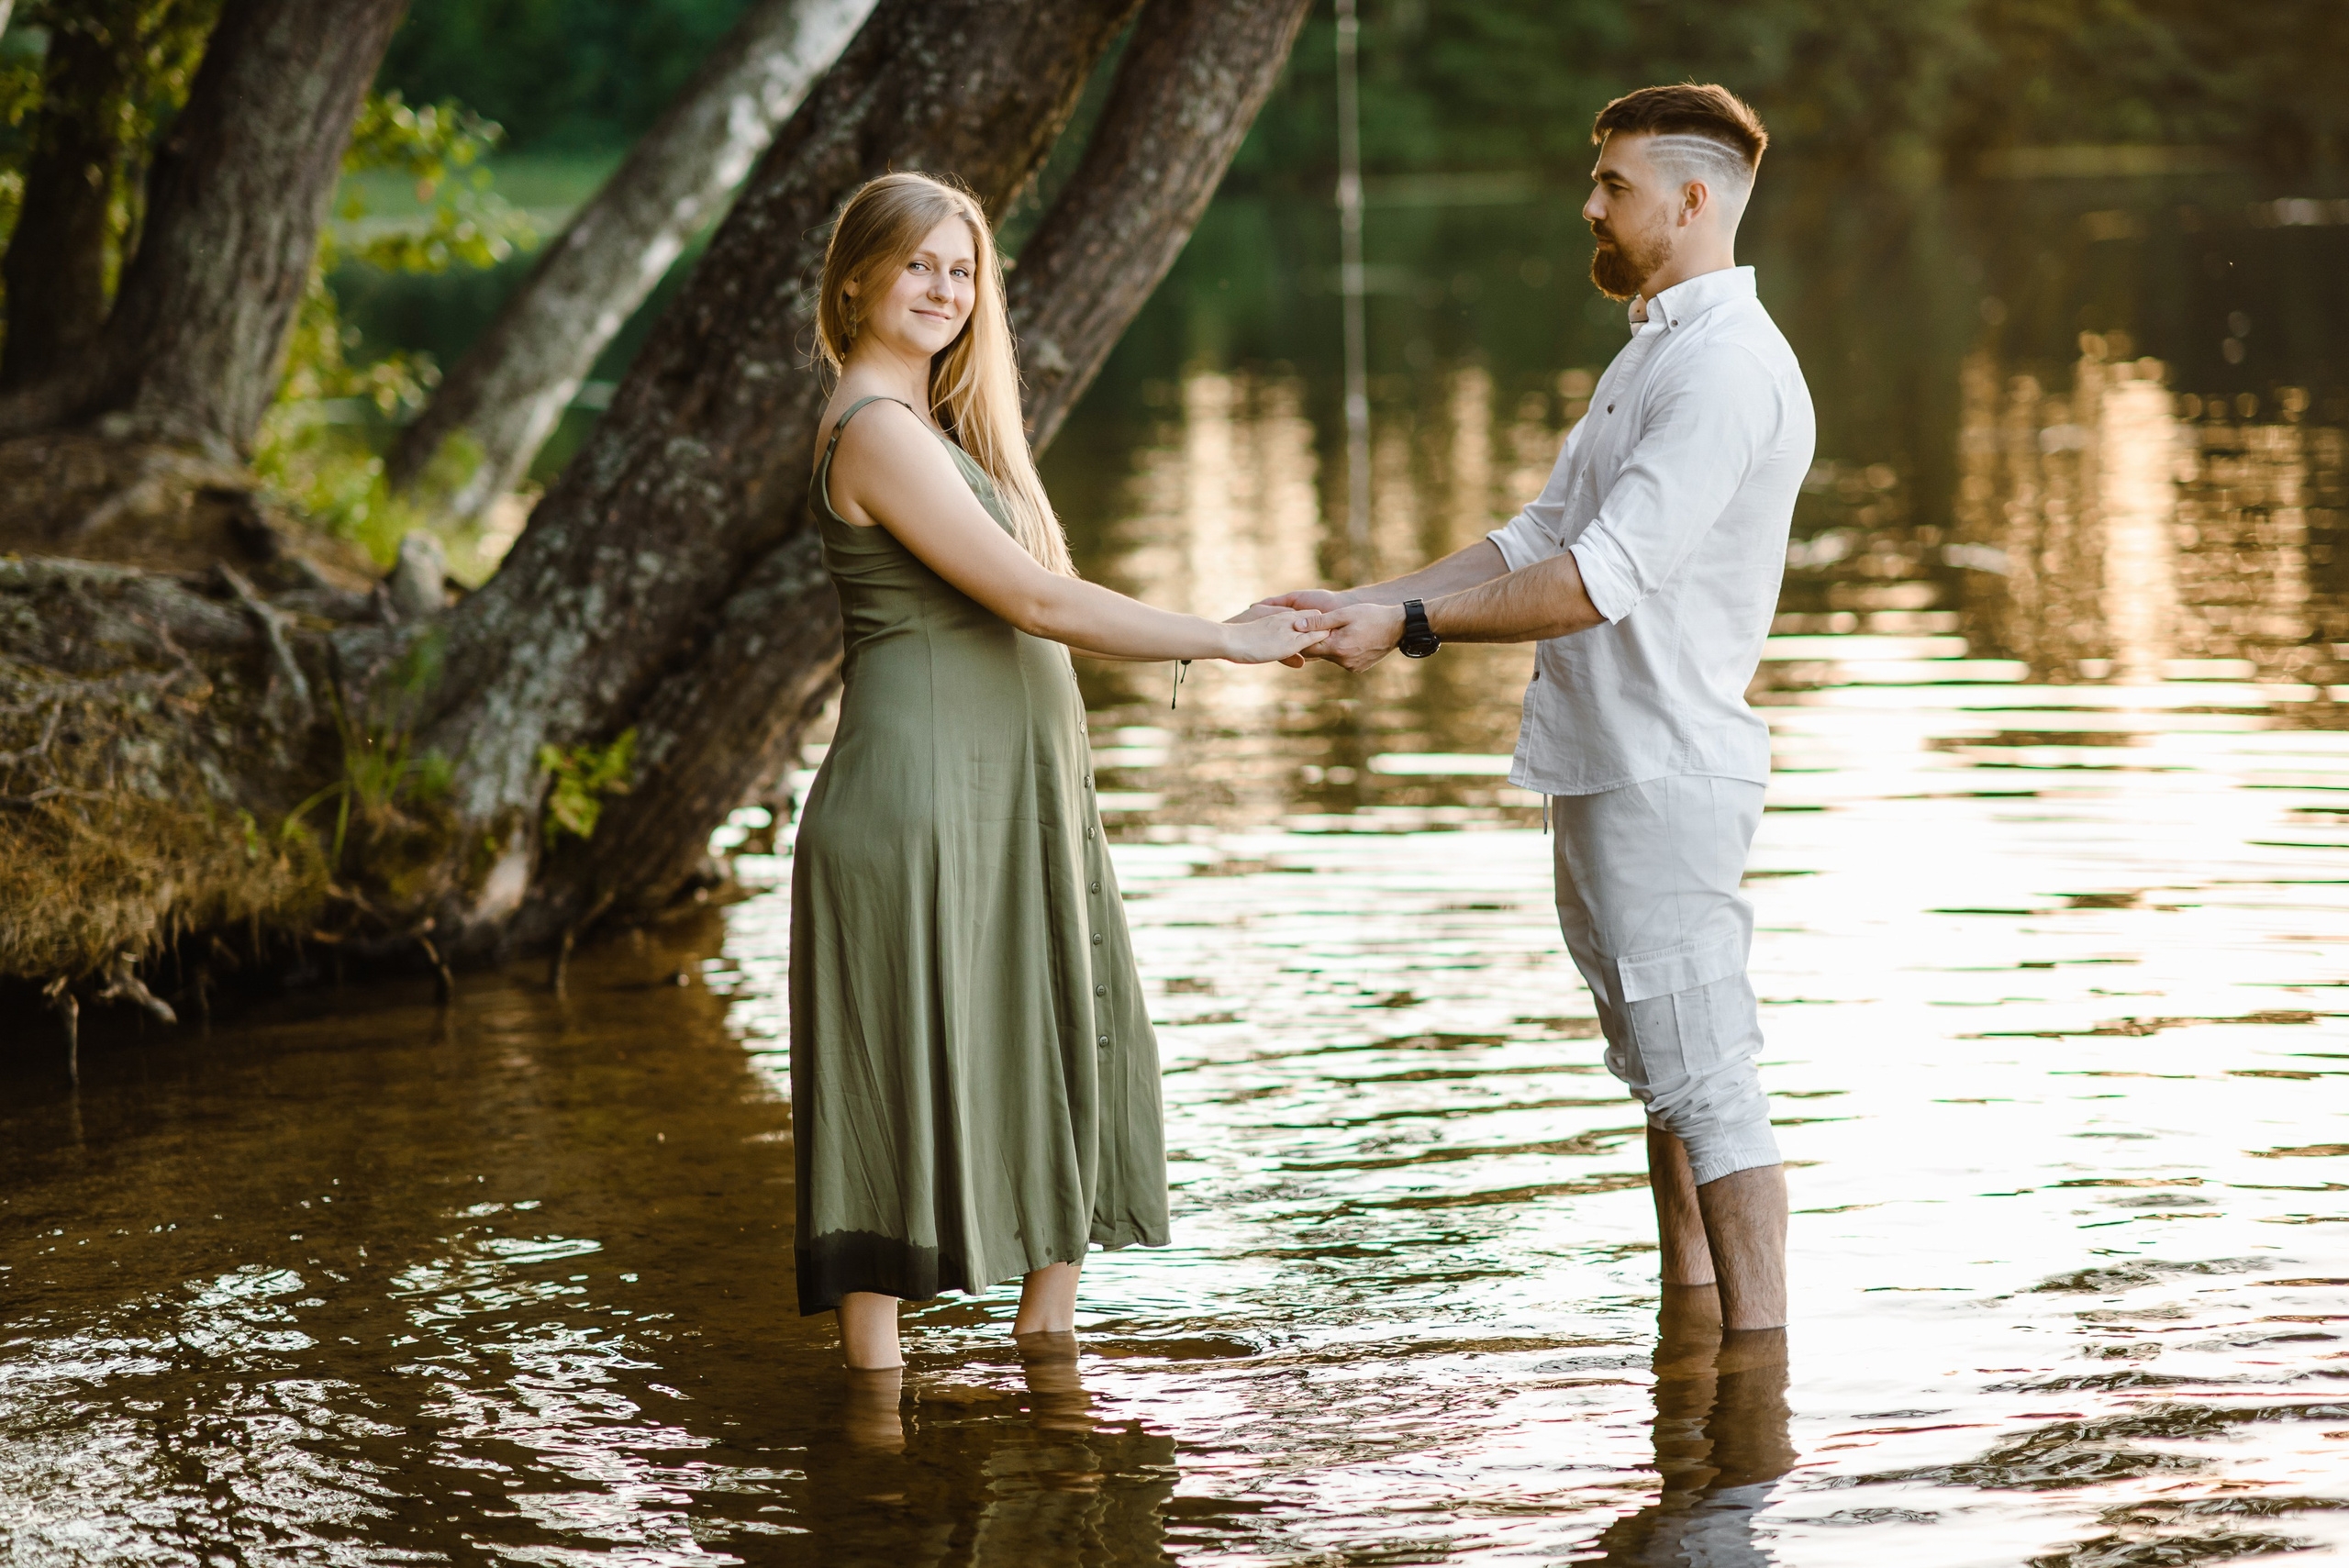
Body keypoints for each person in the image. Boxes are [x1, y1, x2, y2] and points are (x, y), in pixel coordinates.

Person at [1261, 84, 1813, 1330]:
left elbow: (1593, 582)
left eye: (1612, 186)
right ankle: (1695, 1329)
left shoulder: (1724, 369)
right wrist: (1366, 597)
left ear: (1692, 198)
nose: (1591, 207)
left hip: (1668, 769)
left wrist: (1406, 627)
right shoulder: (1654, 352)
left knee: (1712, 1083)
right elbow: (1536, 536)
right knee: (1665, 1082)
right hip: (1605, 765)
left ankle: (1752, 1400)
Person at [791, 171, 1320, 1373]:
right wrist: (1222, 634)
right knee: (898, 1108)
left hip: (1006, 797)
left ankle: (1048, 1370)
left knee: (1065, 1034)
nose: (943, 287)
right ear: (858, 278)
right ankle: (876, 1461)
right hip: (922, 810)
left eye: (961, 267)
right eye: (918, 264)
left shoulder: (930, 427)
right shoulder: (873, 427)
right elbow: (1032, 596)